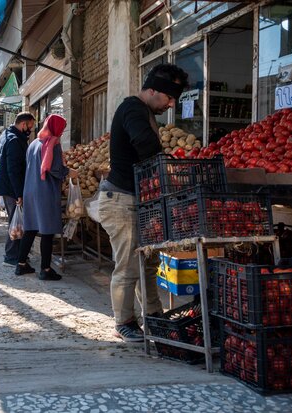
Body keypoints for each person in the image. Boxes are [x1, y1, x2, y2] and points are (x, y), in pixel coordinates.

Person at [92, 63, 189, 342]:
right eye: (169, 98)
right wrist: (167, 164)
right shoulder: (133, 108)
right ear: (153, 90)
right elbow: (145, 145)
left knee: (147, 263)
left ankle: (153, 314)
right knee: (129, 265)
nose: (170, 105)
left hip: (136, 200)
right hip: (121, 200)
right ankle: (124, 321)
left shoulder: (143, 111)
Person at [15, 114, 78, 281]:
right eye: (62, 128)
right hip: (45, 192)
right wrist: (69, 172)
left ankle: (21, 265)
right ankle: (46, 269)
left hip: (30, 190)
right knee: (48, 231)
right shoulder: (53, 144)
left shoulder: (34, 143)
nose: (62, 132)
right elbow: (55, 168)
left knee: (31, 228)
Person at [0, 112, 36, 266]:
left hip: (5, 185)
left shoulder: (6, 134)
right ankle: (11, 256)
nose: (31, 130)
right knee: (15, 222)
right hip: (10, 187)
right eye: (30, 126)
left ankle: (16, 254)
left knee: (15, 221)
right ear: (23, 124)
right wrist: (18, 194)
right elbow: (13, 170)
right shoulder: (15, 140)